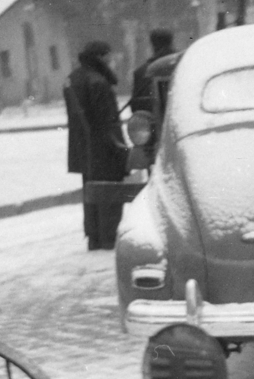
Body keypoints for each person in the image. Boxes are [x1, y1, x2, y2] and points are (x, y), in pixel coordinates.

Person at [65, 40, 129, 251]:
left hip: (84, 149)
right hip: (104, 150)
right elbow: (108, 122)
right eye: (109, 57)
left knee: (91, 193)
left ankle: (94, 237)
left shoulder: (73, 79)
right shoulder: (99, 82)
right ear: (100, 57)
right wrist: (121, 150)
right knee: (110, 194)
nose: (112, 61)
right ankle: (109, 238)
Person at [127, 27, 181, 169]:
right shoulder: (185, 64)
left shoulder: (141, 71)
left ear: (152, 44)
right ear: (171, 41)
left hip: (156, 134)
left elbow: (136, 106)